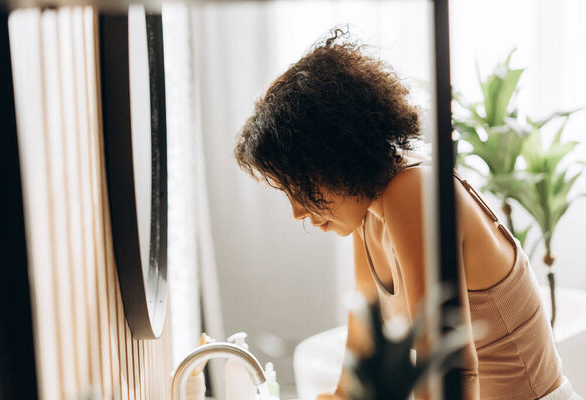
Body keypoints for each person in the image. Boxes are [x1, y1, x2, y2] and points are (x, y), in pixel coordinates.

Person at [234, 29, 580, 400]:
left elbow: (452, 368)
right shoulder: (368, 214)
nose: (298, 211)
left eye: (300, 188)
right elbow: (362, 351)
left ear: (334, 158)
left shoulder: (413, 190)